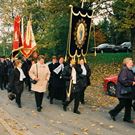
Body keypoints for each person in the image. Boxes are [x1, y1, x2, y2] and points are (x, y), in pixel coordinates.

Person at [109, 57, 135, 123]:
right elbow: (122, 80)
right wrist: (131, 82)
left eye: (132, 62)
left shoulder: (129, 70)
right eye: (131, 63)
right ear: (126, 63)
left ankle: (127, 118)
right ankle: (112, 113)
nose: (132, 64)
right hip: (122, 91)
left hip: (128, 91)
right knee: (122, 104)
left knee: (128, 105)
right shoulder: (124, 70)